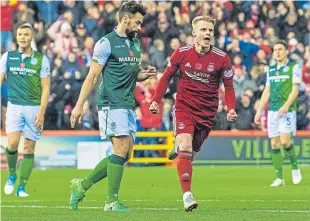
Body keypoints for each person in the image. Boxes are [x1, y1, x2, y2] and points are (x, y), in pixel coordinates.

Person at [69, 1, 156, 212]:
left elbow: (132, 73)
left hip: (127, 103)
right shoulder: (106, 43)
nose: (139, 27)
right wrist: (79, 106)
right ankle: (111, 201)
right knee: (120, 149)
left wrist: (144, 75)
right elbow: (92, 76)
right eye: (137, 22)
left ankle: (82, 185)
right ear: (125, 19)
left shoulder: (135, 44)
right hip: (111, 102)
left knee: (126, 154)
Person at [149, 16, 237, 212]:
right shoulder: (181, 54)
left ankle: (178, 147)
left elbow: (229, 87)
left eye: (210, 31)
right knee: (186, 147)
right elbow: (165, 78)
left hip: (207, 113)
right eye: (203, 30)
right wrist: (156, 100)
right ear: (194, 33)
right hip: (184, 108)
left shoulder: (222, 58)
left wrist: (231, 107)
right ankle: (187, 196)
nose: (207, 34)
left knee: (191, 153)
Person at [0, 23, 50, 197]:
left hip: (34, 108)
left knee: (29, 148)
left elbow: (46, 88)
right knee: (12, 144)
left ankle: (21, 187)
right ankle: (12, 174)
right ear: (16, 37)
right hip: (14, 107)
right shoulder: (8, 57)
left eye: (26, 34)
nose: (22, 37)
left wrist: (42, 111)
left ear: (32, 37)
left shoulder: (42, 59)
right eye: (20, 34)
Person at [254, 40, 302, 187]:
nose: (277, 52)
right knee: (274, 143)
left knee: (285, 141)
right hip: (273, 111)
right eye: (275, 50)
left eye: (280, 49)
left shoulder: (294, 67)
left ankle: (295, 167)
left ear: (286, 51)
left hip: (287, 110)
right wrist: (259, 110)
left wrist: (287, 105)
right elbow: (267, 90)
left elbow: (295, 89)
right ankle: (279, 177)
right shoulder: (271, 69)